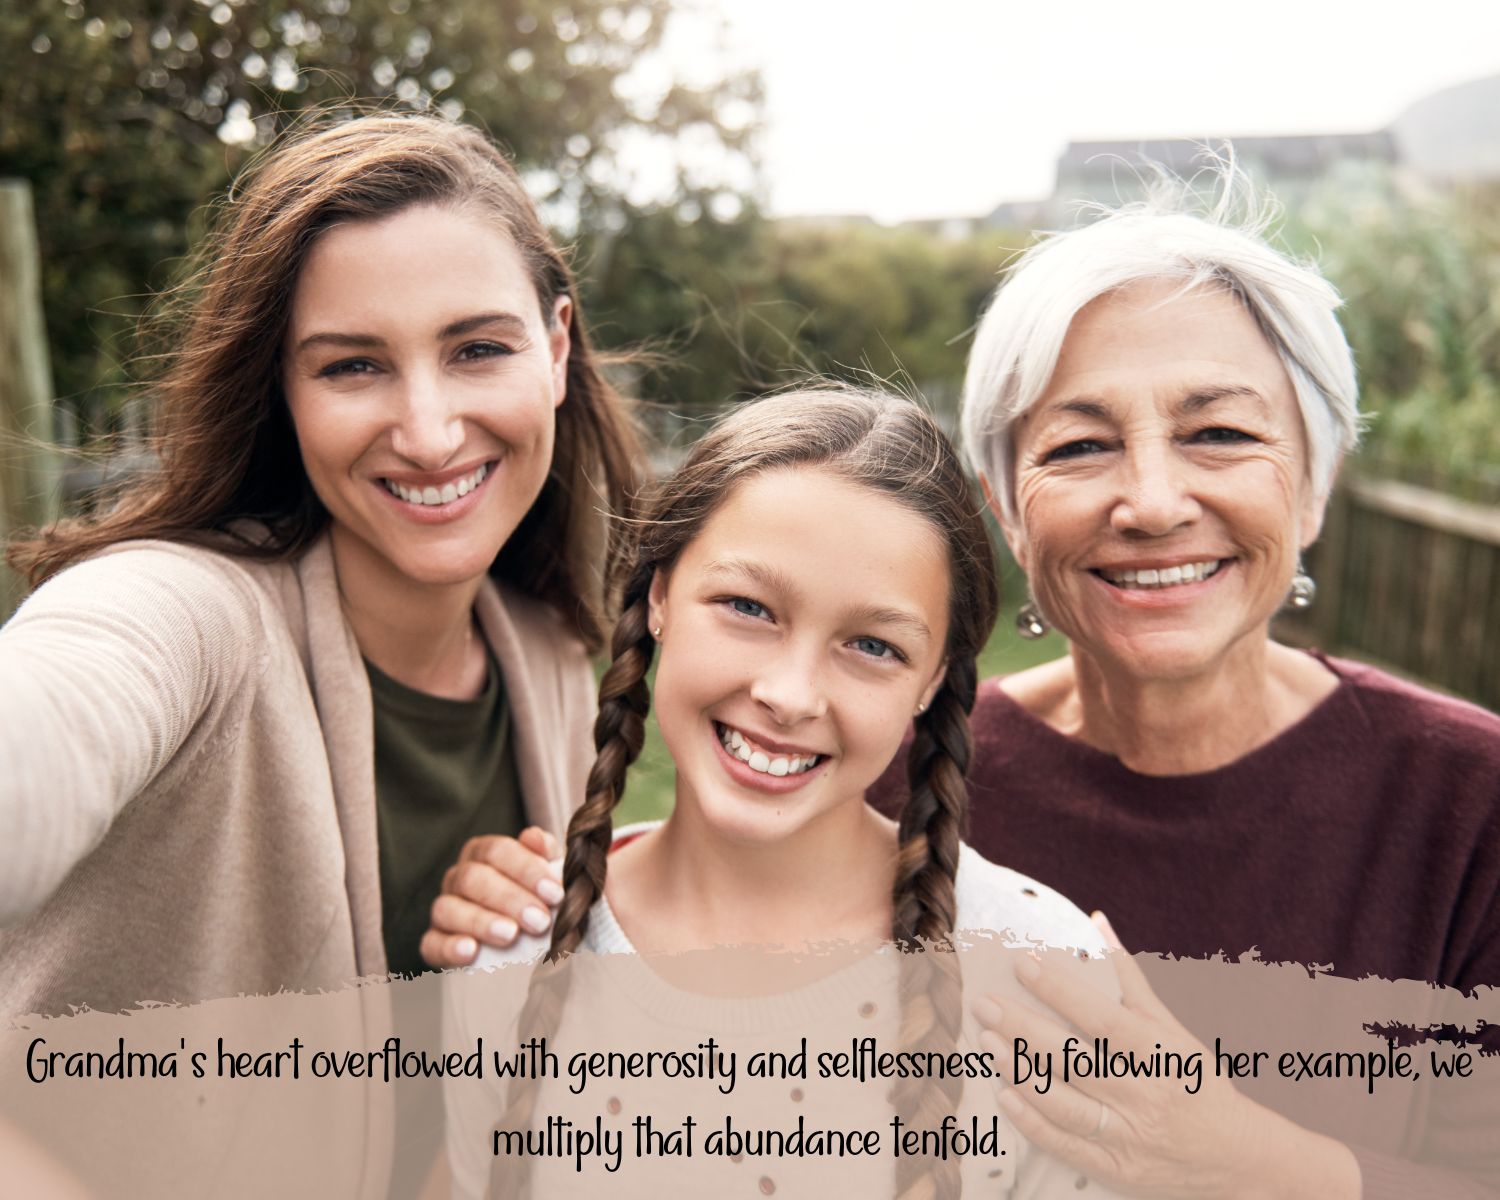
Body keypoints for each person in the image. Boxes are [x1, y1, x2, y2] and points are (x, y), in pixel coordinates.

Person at [427, 188, 1500, 1197]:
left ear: (1315, 478)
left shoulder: (1471, 807)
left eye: (1220, 433)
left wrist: (1264, 1165)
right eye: (1080, 446)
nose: (1153, 500)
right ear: (1009, 509)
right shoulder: (898, 762)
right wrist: (531, 888)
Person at [0, 112, 642, 1018]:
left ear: (558, 348)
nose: (428, 434)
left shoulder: (557, 659)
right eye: (351, 366)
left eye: (479, 349)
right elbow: (60, 703)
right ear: (284, 394)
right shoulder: (190, 615)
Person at [443, 387, 1116, 1200]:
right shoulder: (512, 947)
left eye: (872, 645)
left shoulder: (1038, 972)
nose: (791, 694)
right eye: (748, 607)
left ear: (934, 682)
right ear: (659, 597)